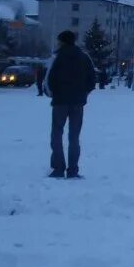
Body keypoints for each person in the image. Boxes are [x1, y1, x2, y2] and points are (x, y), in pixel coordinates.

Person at [46, 30, 97, 179]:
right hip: (77, 103)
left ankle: (58, 168)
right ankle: (73, 169)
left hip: (60, 102)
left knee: (56, 134)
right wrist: (83, 94)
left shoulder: (56, 57)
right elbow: (92, 80)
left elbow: (49, 79)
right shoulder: (84, 57)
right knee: (74, 137)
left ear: (62, 41)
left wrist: (53, 94)